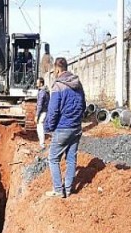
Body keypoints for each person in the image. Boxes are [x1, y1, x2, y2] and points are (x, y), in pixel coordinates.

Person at [44, 57, 86, 198]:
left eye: (54, 71)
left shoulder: (58, 86)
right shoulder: (78, 84)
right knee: (71, 159)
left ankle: (58, 190)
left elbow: (53, 110)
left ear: (57, 69)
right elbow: (83, 105)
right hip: (77, 127)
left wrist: (48, 127)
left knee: (53, 159)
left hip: (63, 128)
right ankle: (68, 189)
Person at [35, 77, 49, 150]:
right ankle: (42, 143)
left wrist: (37, 115)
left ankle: (42, 144)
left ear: (41, 83)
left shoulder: (42, 92)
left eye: (37, 82)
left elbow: (39, 104)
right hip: (45, 110)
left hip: (42, 111)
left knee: (40, 126)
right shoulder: (45, 90)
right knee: (40, 126)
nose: (36, 84)